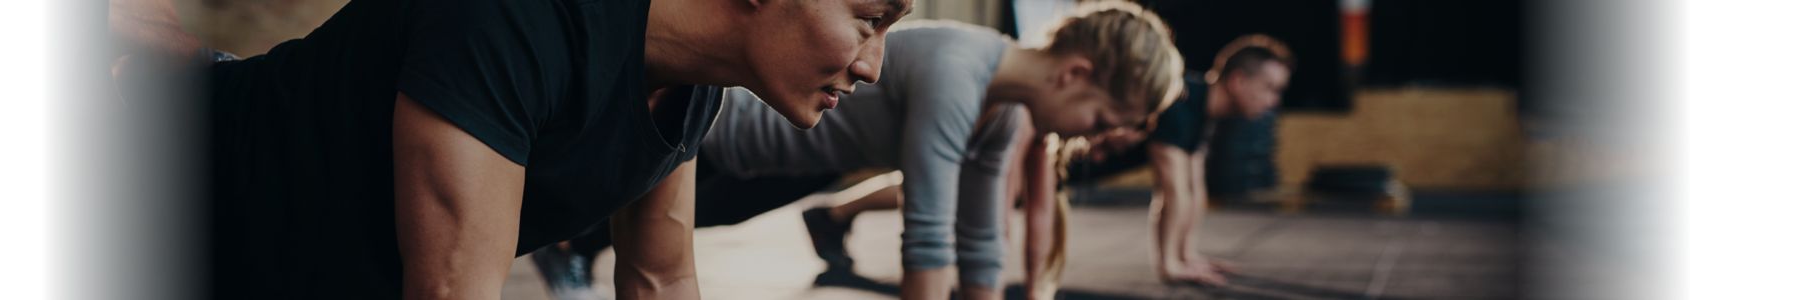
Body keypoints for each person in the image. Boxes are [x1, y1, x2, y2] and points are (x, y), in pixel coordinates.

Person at [196, 0, 914, 299]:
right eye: (868, 20)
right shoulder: (516, 21)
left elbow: (660, 281)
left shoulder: (694, 88)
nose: (874, 66)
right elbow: (452, 292)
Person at [544, 3, 1185, 300]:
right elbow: (929, 233)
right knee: (622, 218)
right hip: (729, 135)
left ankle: (575, 242)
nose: (1092, 136)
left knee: (710, 223)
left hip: (802, 156)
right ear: (1074, 74)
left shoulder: (1006, 111)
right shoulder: (958, 68)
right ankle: (569, 246)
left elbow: (982, 233)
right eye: (1100, 119)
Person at [1045, 34, 1296, 287]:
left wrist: (1187, 256)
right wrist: (1170, 266)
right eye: (1270, 88)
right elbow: (1172, 191)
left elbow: (1195, 189)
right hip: (1057, 159)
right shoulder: (1180, 101)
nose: (1274, 101)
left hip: (1069, 169)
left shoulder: (1202, 108)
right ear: (1239, 81)